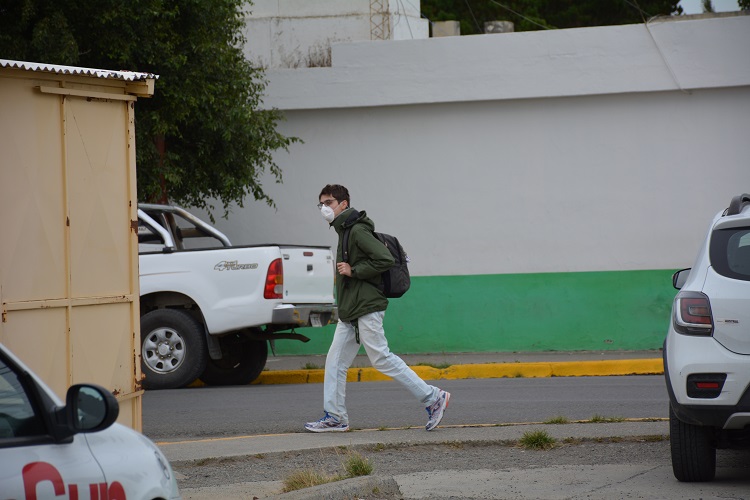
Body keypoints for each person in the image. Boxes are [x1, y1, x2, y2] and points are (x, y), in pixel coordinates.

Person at [305, 184, 450, 433]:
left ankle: (432, 397)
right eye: (321, 204)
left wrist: (355, 270)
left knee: (381, 358)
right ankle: (336, 417)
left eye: (328, 203)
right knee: (335, 362)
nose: (324, 208)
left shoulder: (357, 230)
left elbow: (385, 259)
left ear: (344, 204)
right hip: (352, 309)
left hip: (366, 306)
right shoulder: (345, 231)